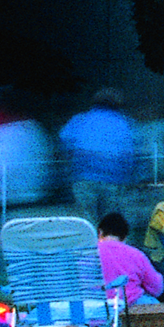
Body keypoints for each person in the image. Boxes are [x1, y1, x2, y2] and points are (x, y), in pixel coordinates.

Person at [59, 88, 139, 225]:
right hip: (115, 181)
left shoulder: (79, 120)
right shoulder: (126, 123)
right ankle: (109, 246)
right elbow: (134, 153)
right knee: (111, 223)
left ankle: (90, 245)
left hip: (83, 180)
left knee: (87, 222)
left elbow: (64, 142)